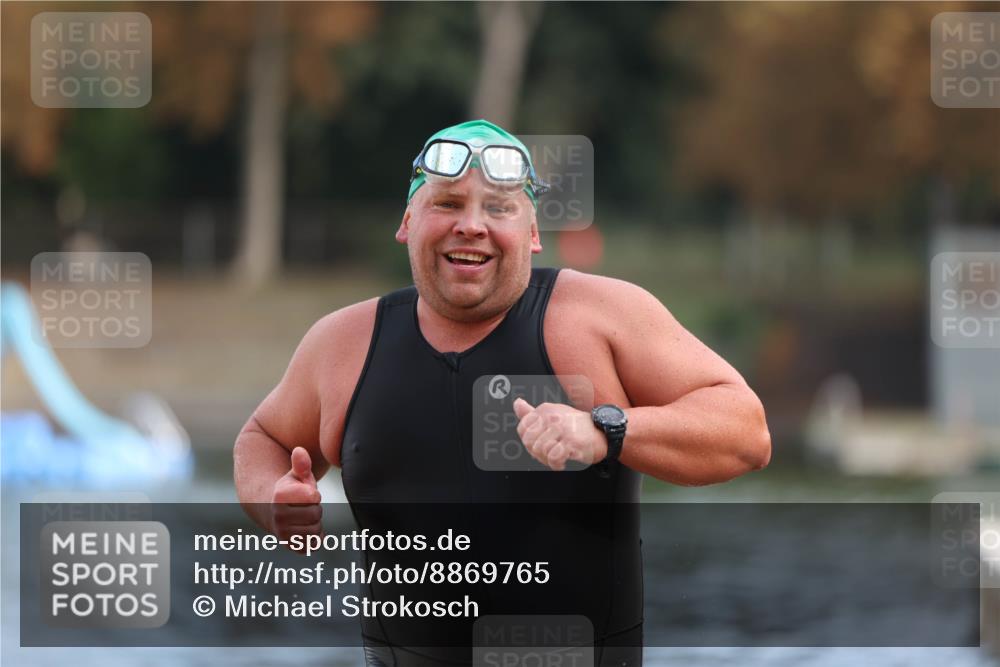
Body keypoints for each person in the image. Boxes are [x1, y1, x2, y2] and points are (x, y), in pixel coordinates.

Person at [234, 119, 771, 666]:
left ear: (533, 233)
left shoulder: (598, 317)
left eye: (498, 208)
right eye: (447, 203)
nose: (472, 226)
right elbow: (263, 436)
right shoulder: (341, 345)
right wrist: (273, 503)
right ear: (407, 223)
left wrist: (608, 429)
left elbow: (746, 431)